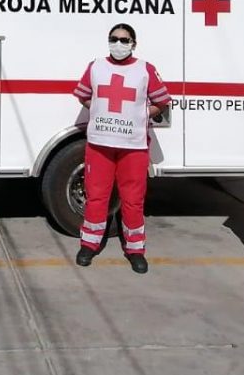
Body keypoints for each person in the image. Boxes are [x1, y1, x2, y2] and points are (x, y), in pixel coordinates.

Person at [72, 23, 171, 274]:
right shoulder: (96, 66)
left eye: (124, 40)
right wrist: (97, 109)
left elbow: (161, 101)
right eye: (114, 38)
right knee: (96, 196)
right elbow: (83, 95)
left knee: (133, 200)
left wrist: (142, 115)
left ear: (133, 43)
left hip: (133, 146)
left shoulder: (145, 69)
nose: (118, 44)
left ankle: (135, 249)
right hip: (99, 144)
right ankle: (89, 244)